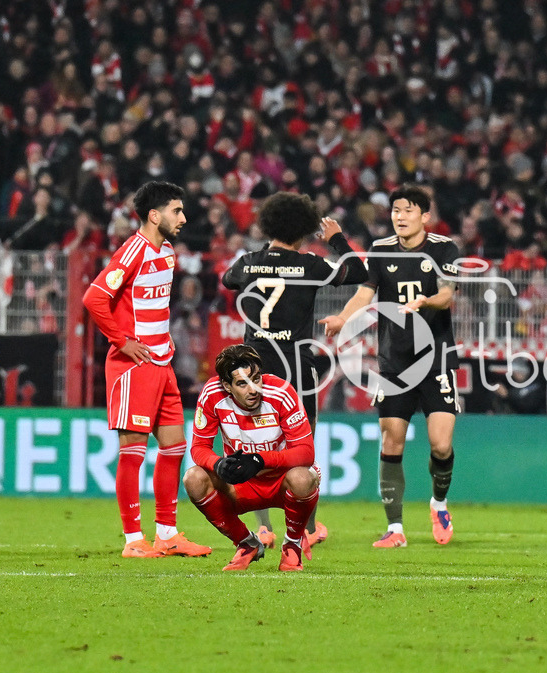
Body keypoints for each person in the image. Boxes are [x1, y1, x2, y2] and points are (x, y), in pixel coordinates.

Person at [222, 191, 367, 550]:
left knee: (254, 442)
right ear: (303, 229)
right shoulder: (310, 265)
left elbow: (227, 279)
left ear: (268, 224)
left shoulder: (248, 262)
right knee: (302, 448)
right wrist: (336, 238)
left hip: (252, 368)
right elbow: (358, 271)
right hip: (295, 367)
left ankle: (264, 528)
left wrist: (263, 260)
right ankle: (305, 530)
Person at [321, 184, 461, 548]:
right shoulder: (381, 250)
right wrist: (343, 319)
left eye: (408, 210)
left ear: (425, 216)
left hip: (436, 357)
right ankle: (395, 529)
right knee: (391, 439)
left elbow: (448, 294)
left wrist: (427, 301)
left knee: (441, 445)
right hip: (394, 361)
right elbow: (364, 293)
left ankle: (439, 503)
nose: (400, 216)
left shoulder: (444, 248)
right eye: (396, 210)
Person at [82, 181, 211, 559]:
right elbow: (94, 298)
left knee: (174, 447)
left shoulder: (167, 252)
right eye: (176, 211)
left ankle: (167, 535)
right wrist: (121, 341)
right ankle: (133, 540)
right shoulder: (132, 251)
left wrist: (162, 341)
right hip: (133, 366)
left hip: (162, 363)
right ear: (154, 215)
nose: (183, 218)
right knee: (133, 451)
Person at [184, 344, 319, 571]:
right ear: (227, 386)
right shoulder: (212, 395)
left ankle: (292, 545)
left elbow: (306, 452)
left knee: (304, 477)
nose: (253, 389)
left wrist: (259, 460)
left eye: (256, 379)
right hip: (240, 485)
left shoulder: (281, 391)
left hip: (281, 481)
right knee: (193, 478)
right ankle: (246, 543)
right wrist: (218, 464)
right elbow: (199, 447)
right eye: (242, 384)